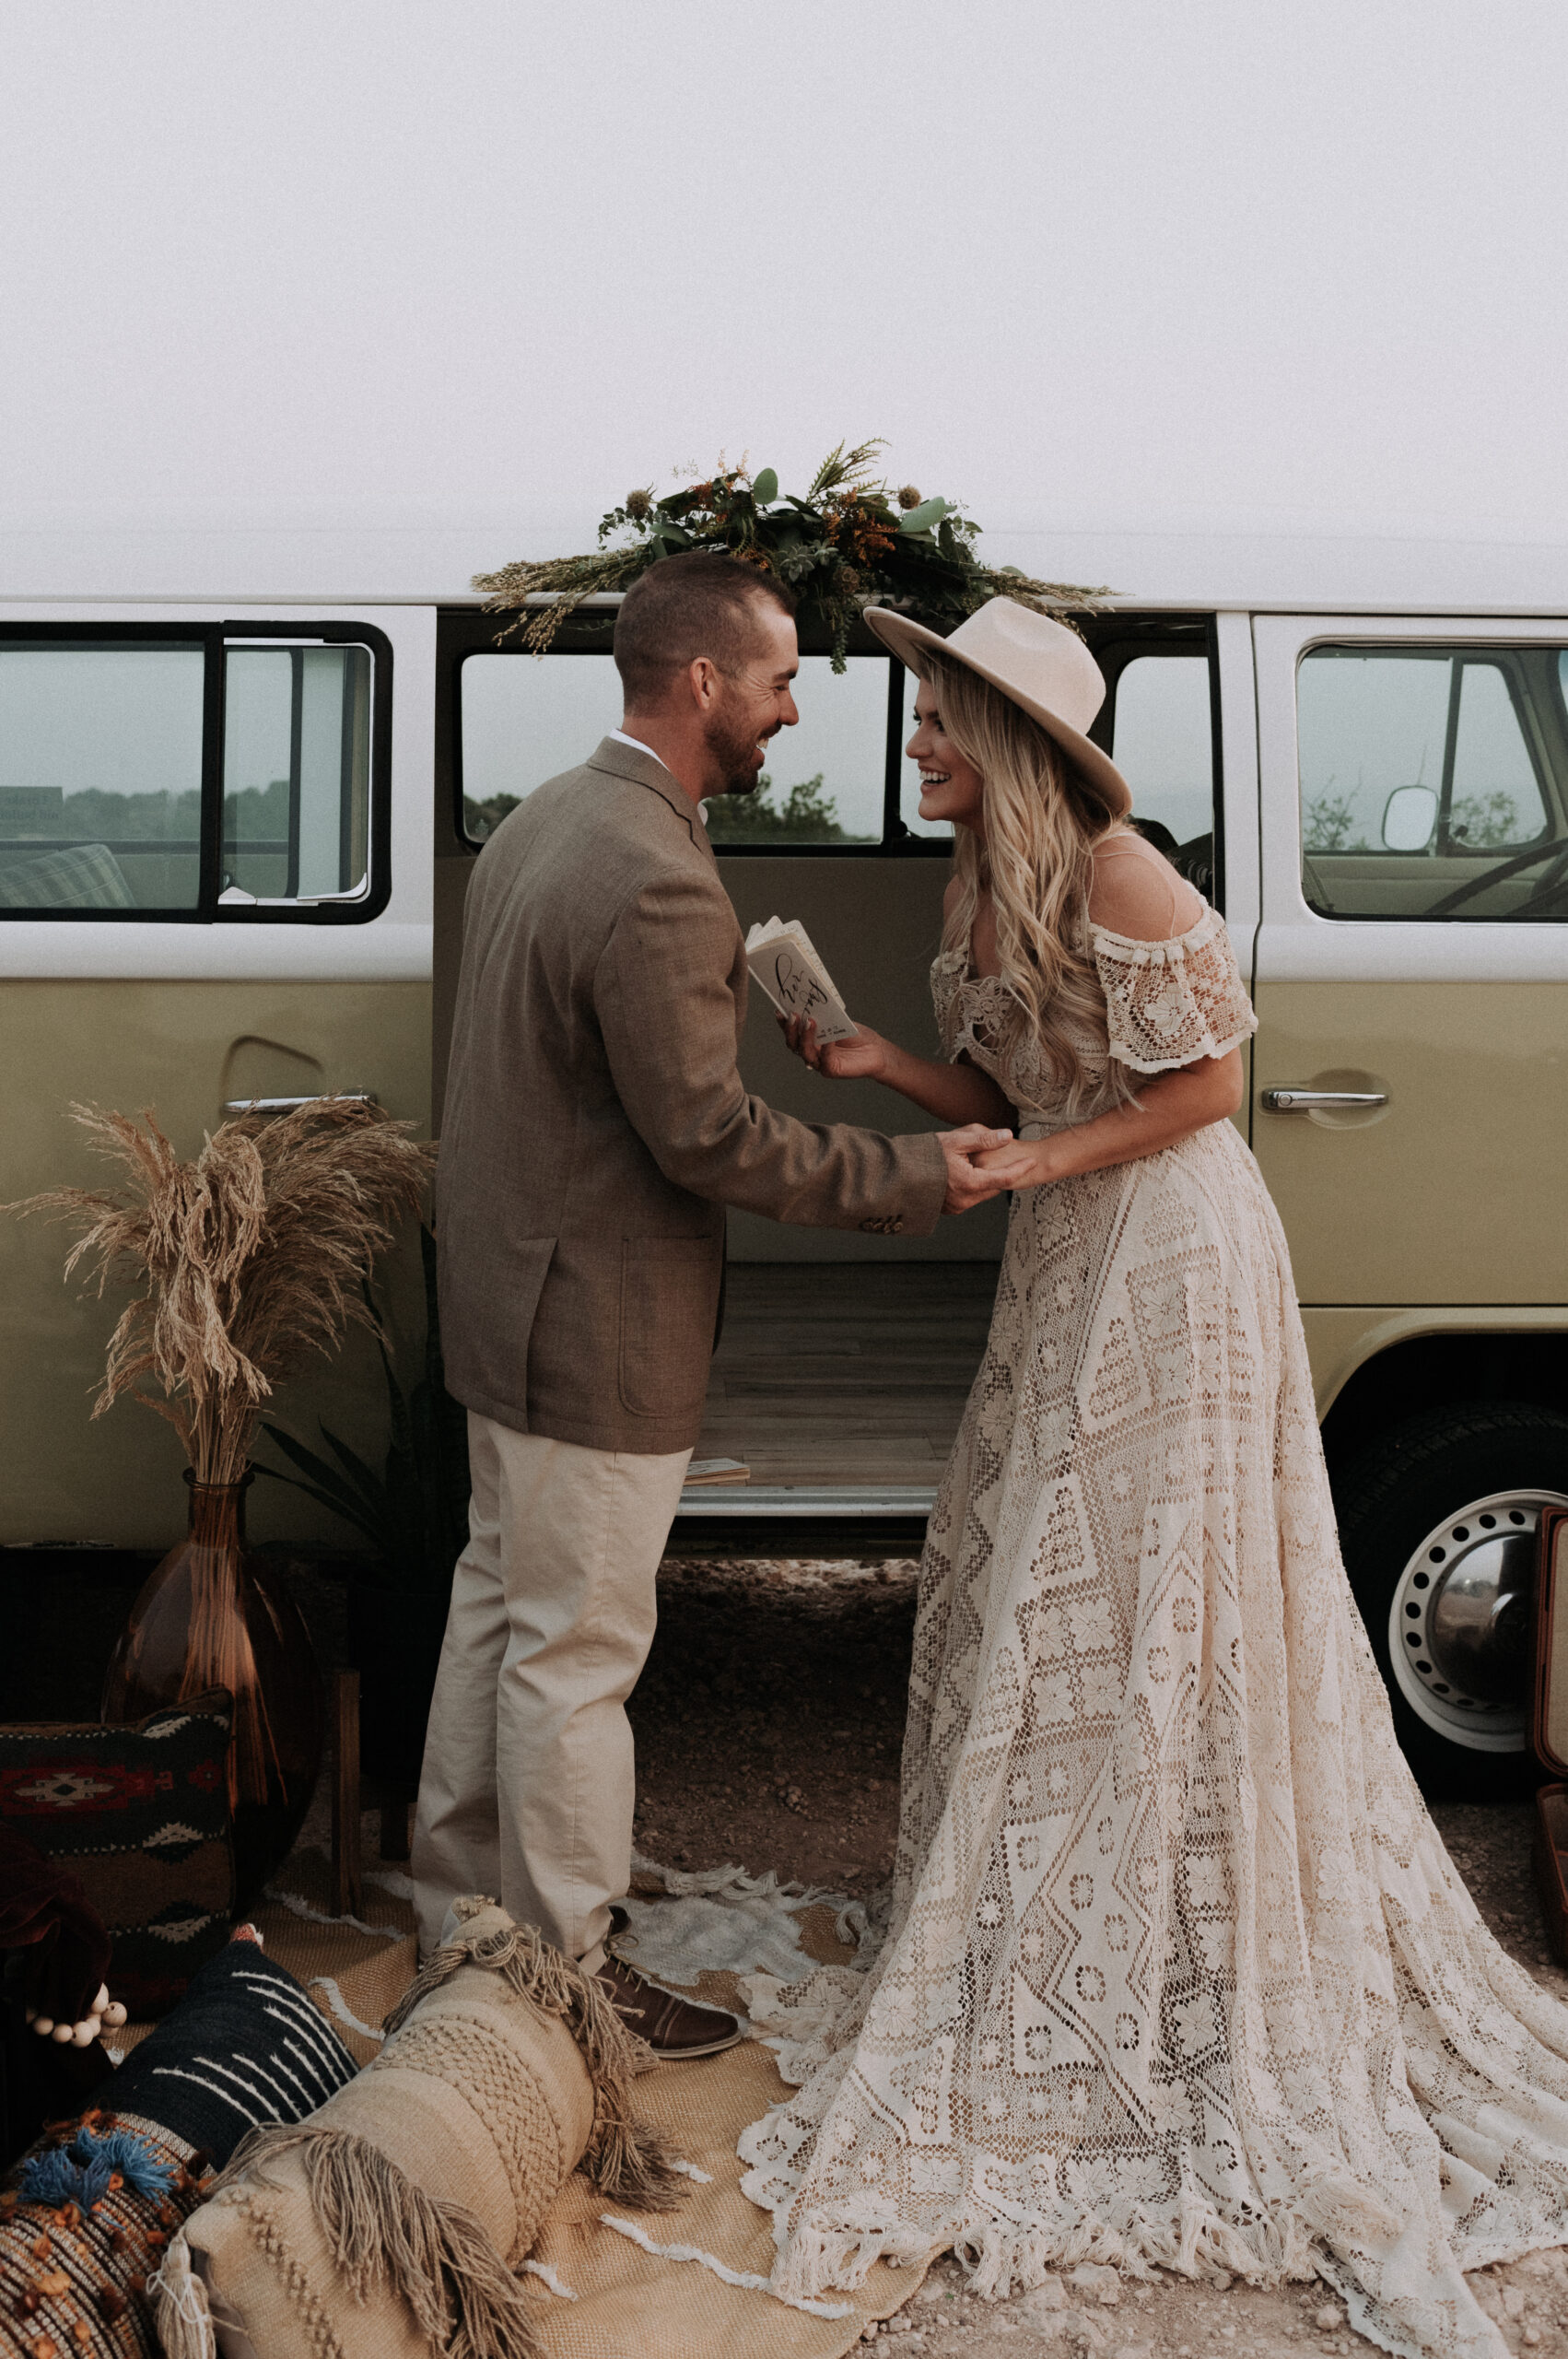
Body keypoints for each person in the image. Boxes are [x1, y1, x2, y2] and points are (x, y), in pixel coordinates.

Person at [743, 596, 1568, 2356]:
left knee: (1149, 1574)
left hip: (1171, 1252)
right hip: (1067, 1250)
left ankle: (1182, 1948)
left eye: (938, 718)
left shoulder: (1118, 870)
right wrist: (880, 1066)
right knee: (1041, 1560)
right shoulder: (988, 884)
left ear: (1013, 740)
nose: (914, 743)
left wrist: (1030, 1162)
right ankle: (1074, 1914)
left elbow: (1204, 1087)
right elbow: (1015, 1069)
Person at [412, 552, 1012, 2058]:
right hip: (591, 1321)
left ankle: (461, 1928)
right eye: (779, 680)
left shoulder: (555, 814)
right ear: (699, 684)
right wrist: (914, 1175)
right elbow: (708, 1140)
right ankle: (561, 1981)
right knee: (576, 1655)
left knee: (501, 1614)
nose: (793, 711)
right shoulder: (657, 872)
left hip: (503, 1305)